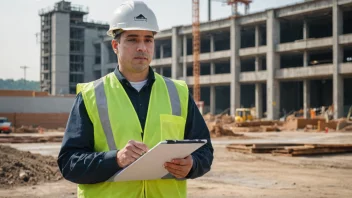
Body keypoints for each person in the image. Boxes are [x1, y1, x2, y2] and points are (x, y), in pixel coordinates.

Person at [57, 1, 213, 197]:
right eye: (132, 40)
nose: (142, 47)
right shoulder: (91, 96)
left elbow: (205, 151)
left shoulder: (178, 92)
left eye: (148, 40)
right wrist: (115, 159)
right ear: (115, 45)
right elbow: (70, 163)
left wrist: (193, 165)